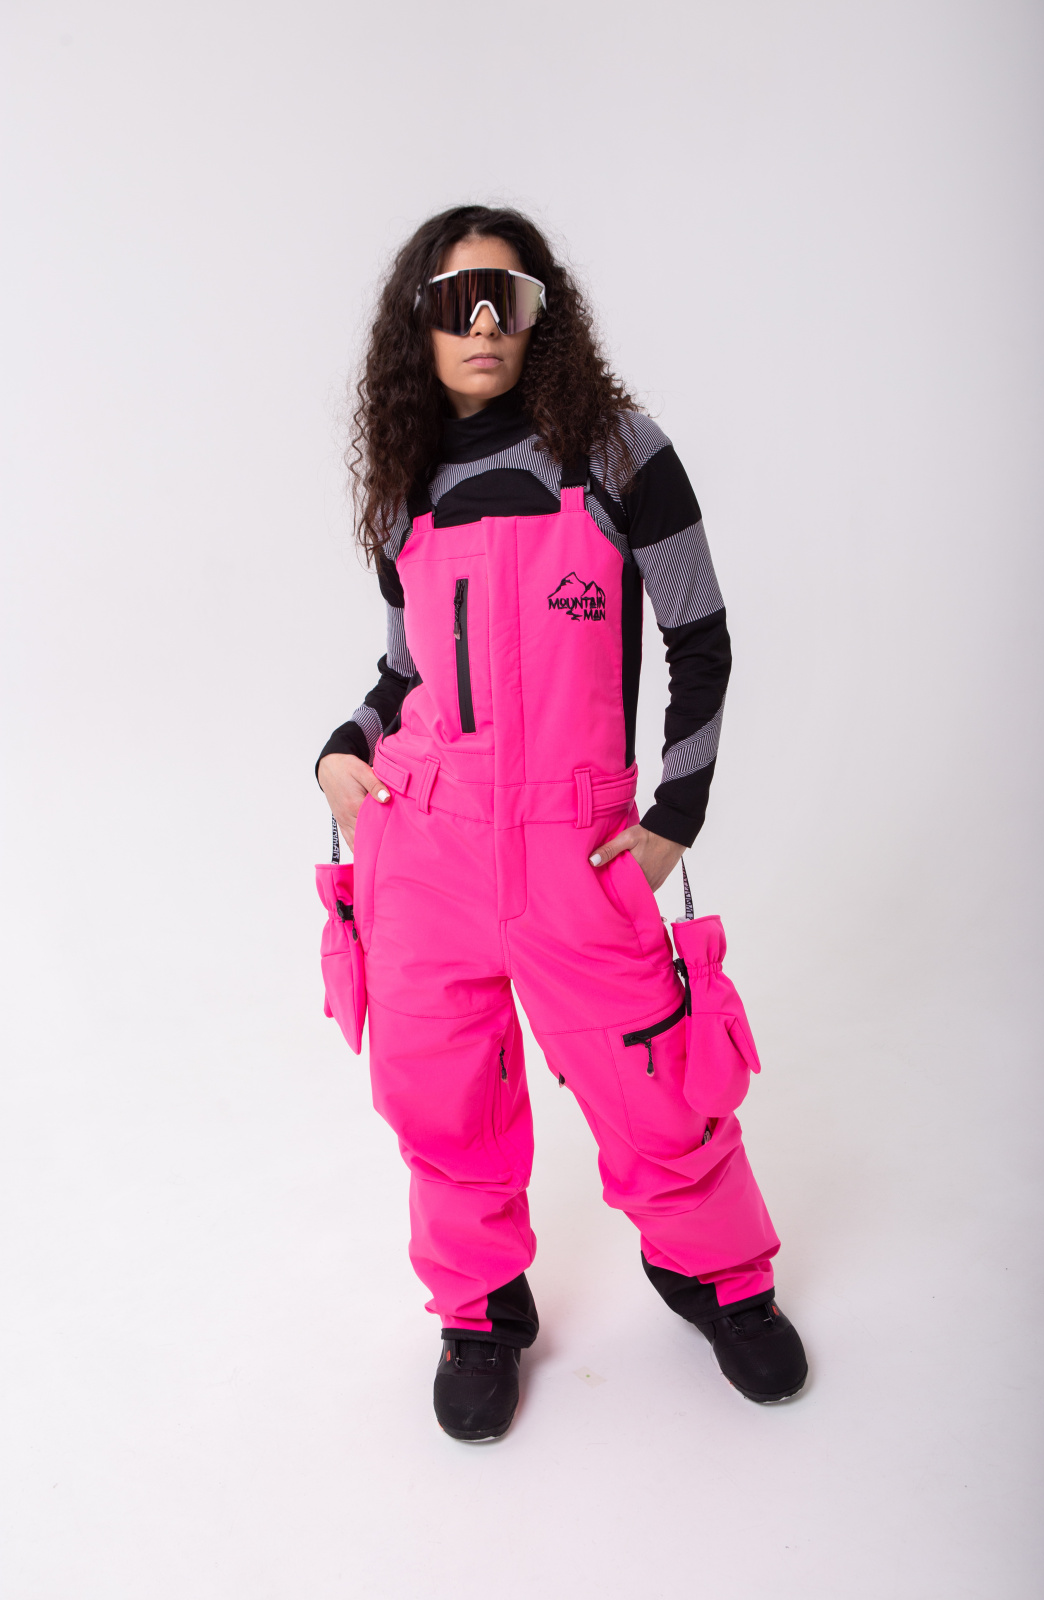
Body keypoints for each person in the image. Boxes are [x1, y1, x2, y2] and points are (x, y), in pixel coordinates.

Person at [317, 205, 807, 1440]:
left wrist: (673, 815)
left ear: (544, 316)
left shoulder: (619, 454)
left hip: (573, 850)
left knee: (657, 1084)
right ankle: (479, 1307)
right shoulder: (404, 492)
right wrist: (342, 747)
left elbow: (700, 640)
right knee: (440, 1098)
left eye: (509, 296)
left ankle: (717, 1275)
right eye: (454, 301)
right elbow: (401, 678)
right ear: (417, 328)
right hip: (425, 850)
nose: (483, 322)